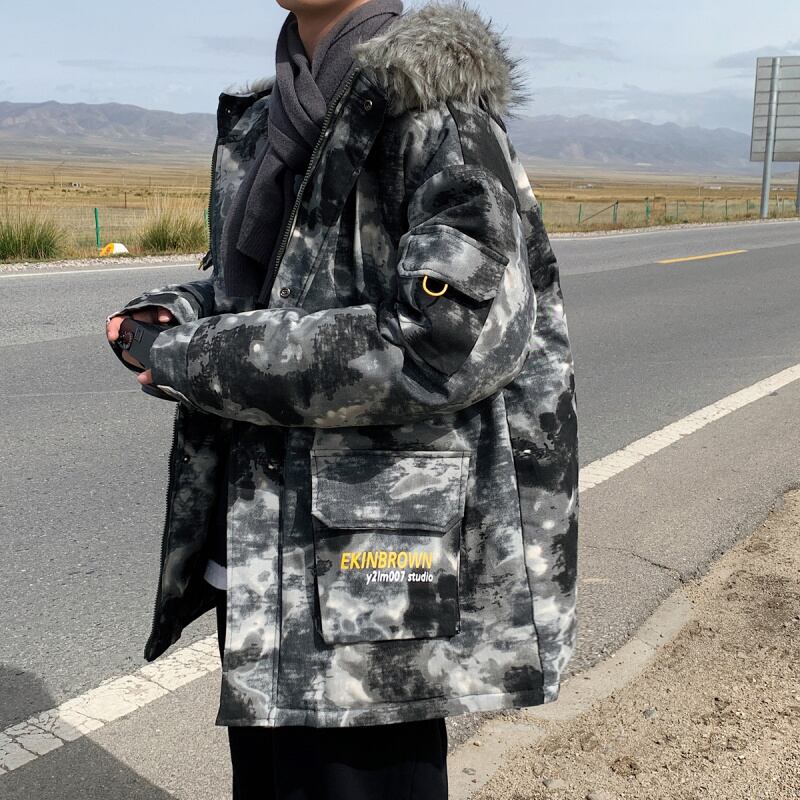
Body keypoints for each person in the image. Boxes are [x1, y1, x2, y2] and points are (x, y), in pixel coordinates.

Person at [106, 0, 579, 797]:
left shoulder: (437, 115)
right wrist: (181, 311)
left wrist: (195, 356)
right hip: (258, 550)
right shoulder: (271, 121)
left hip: (372, 574)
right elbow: (272, 293)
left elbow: (443, 347)